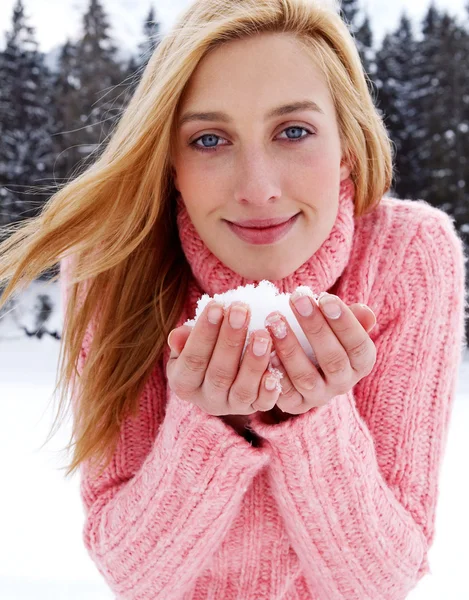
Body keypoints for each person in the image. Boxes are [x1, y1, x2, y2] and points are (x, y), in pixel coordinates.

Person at [0, 0, 466, 598]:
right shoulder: (112, 264)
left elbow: (382, 581)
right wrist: (205, 421)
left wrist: (313, 419)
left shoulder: (408, 255)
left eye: (293, 131)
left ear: (347, 144)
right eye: (210, 139)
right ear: (170, 162)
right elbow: (133, 574)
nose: (258, 189)